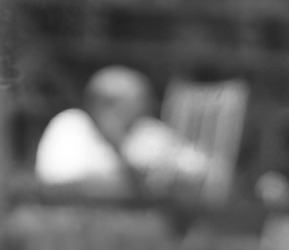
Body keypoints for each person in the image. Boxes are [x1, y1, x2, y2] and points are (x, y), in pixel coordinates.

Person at [32, 68, 210, 195]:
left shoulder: (144, 132)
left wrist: (171, 167)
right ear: (105, 110)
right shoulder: (72, 125)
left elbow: (202, 169)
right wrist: (133, 174)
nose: (142, 120)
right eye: (134, 113)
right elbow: (60, 184)